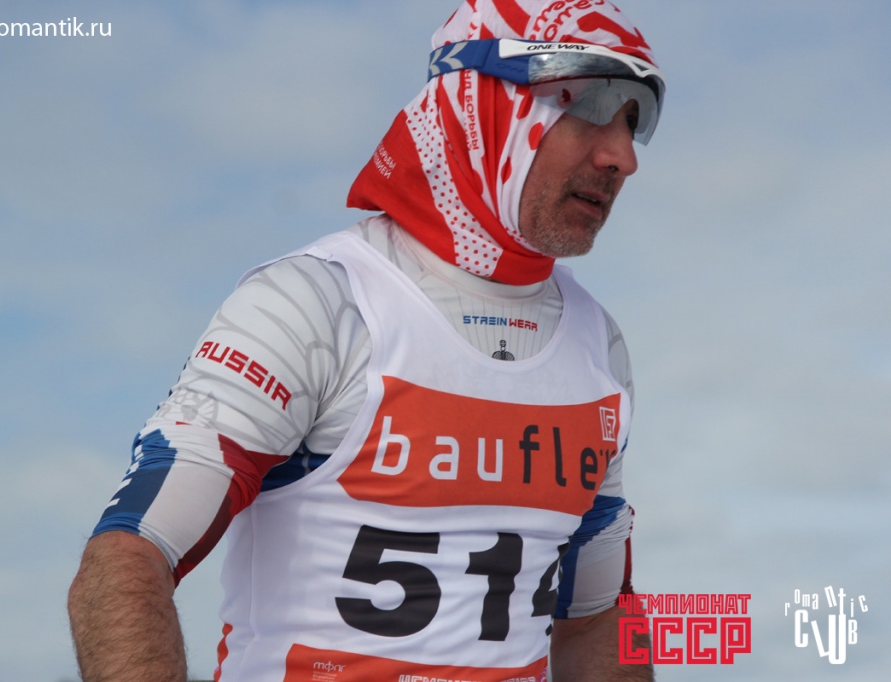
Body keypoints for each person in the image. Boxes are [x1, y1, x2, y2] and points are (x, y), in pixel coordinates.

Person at [68, 1, 666, 680]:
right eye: (591, 104)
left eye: (635, 119)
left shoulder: (598, 345)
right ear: (483, 104)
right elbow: (127, 556)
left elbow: (597, 613)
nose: (622, 158)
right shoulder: (315, 303)